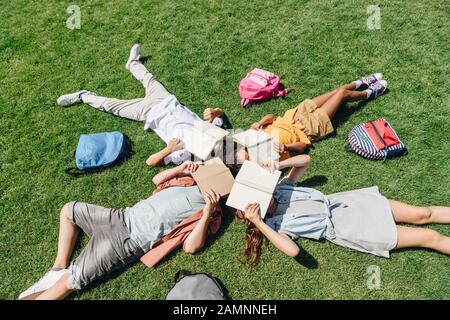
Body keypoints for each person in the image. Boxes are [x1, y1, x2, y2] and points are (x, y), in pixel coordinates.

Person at [18, 161, 222, 300]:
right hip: (119, 216)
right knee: (68, 210)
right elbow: (157, 180)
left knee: (68, 283)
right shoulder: (187, 180)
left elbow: (191, 247)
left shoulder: (212, 211)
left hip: (126, 242)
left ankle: (61, 276)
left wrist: (206, 213)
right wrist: (181, 168)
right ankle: (58, 266)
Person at [236, 158, 450, 264]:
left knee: (423, 214)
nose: (269, 194)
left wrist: (279, 164)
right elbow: (293, 251)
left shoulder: (283, 189)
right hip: (350, 228)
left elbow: (305, 161)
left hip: (350, 204)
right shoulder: (275, 226)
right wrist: (259, 223)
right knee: (428, 236)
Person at [57, 44, 225, 167]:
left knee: (112, 105)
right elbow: (220, 115)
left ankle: (83, 96)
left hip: (148, 113)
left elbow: (150, 162)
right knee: (149, 79)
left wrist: (169, 149)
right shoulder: (214, 134)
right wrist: (213, 112)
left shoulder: (185, 154)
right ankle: (132, 63)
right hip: (167, 100)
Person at [212, 74, 388, 161]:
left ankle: (361, 82)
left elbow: (272, 116)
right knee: (341, 95)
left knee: (335, 91)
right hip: (309, 127)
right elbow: (303, 146)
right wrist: (285, 147)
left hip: (295, 114)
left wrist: (259, 123)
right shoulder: (268, 157)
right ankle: (368, 93)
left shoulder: (250, 137)